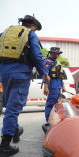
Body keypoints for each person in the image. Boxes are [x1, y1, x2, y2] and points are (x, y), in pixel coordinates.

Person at [0, 15, 50, 156]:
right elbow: (37, 56)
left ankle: (15, 131)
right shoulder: (30, 34)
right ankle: (4, 145)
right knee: (13, 108)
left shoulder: (5, 33)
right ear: (32, 26)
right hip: (20, 74)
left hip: (4, 73)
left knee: (10, 105)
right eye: (35, 29)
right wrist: (45, 74)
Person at [43, 47, 66, 122]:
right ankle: (48, 121)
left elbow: (60, 76)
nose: (57, 55)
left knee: (55, 104)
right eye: (55, 53)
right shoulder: (47, 61)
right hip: (52, 86)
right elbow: (44, 74)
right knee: (50, 104)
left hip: (58, 85)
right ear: (51, 53)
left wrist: (63, 86)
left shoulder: (57, 62)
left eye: (58, 53)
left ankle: (52, 119)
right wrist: (45, 87)